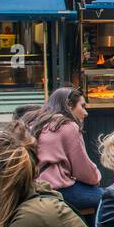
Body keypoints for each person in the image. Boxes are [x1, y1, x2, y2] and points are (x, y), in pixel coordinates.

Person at [25, 87, 103, 217]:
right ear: (68, 105)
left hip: (30, 187)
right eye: (82, 106)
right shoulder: (66, 125)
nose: (85, 113)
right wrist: (96, 177)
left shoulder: (34, 123)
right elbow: (82, 168)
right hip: (55, 189)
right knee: (106, 198)